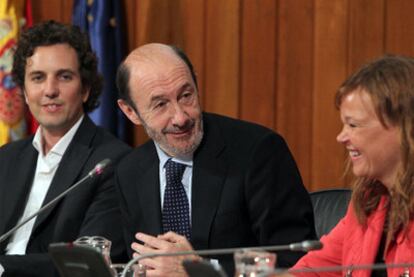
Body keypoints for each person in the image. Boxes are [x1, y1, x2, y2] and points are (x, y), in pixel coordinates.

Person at [115, 43, 316, 276]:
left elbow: (297, 261)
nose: (180, 117)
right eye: (160, 104)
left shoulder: (258, 152)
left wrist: (200, 270)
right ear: (130, 112)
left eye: (186, 95)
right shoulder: (129, 171)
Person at [0, 21, 130, 276]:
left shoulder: (112, 162)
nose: (50, 90)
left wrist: (3, 267)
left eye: (64, 76)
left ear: (85, 89)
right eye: (38, 78)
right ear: (25, 92)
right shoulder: (6, 158)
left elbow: (88, 264)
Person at [289, 55, 414, 276]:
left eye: (353, 125)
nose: (341, 137)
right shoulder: (369, 201)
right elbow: (312, 269)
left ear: (402, 127)